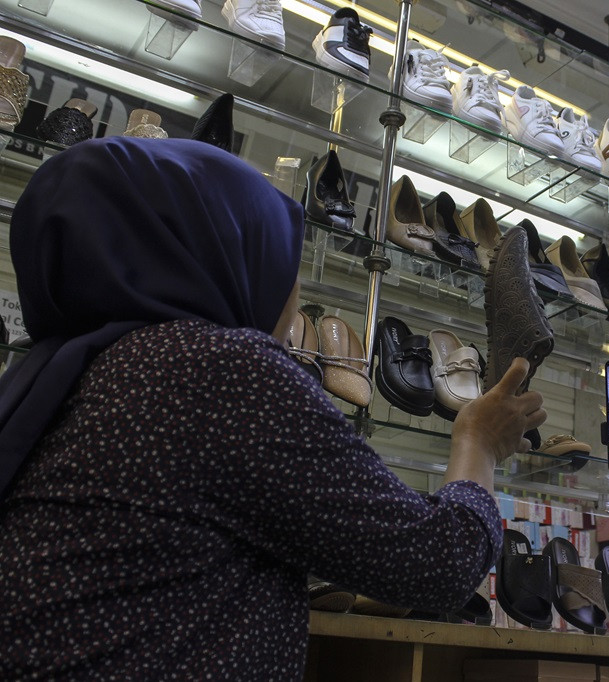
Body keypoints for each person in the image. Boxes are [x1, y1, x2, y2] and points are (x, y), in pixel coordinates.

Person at [0, 138, 546, 680]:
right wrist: (479, 444)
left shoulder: (67, 371)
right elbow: (438, 563)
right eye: (283, 255)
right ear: (228, 255)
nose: (295, 286)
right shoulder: (214, 369)